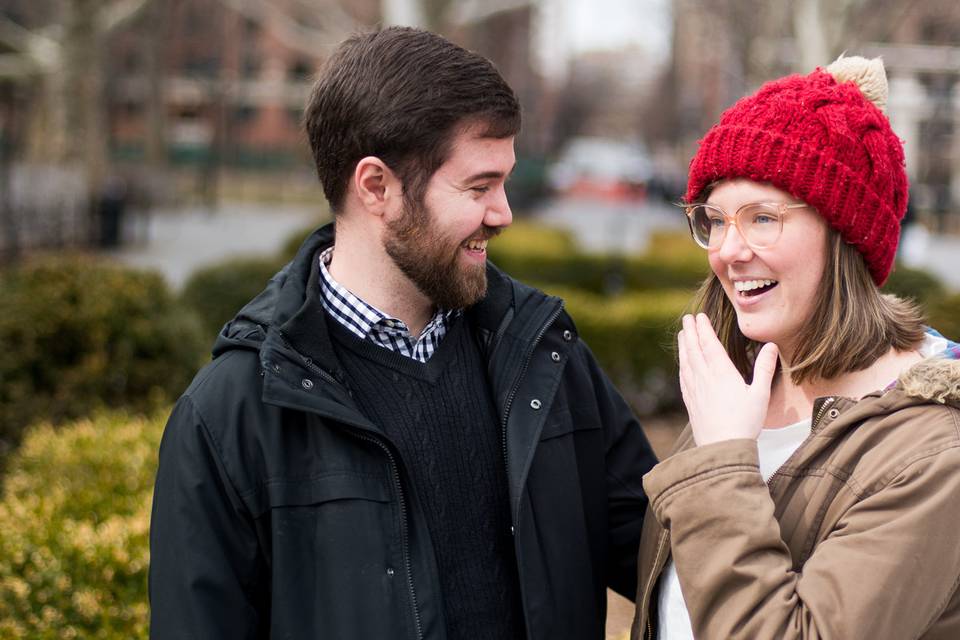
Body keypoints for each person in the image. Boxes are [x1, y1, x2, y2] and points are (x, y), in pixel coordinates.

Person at [149, 27, 656, 640]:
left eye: (503, 182)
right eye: (478, 186)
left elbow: (666, 565)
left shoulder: (544, 359)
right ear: (377, 187)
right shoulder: (229, 415)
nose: (503, 213)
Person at [631, 55, 960, 639]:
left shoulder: (935, 457)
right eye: (715, 219)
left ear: (845, 235)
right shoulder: (738, 387)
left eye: (762, 217)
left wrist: (724, 461)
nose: (728, 250)